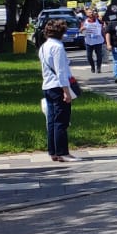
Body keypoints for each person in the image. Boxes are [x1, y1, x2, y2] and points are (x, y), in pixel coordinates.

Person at [38, 19, 81, 163]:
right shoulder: (58, 47)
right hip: (58, 87)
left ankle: (53, 151)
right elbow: (61, 71)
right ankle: (63, 152)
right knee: (62, 121)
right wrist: (66, 91)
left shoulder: (44, 46)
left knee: (51, 121)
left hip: (47, 86)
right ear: (62, 33)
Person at [78, 9, 106, 75]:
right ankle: (92, 66)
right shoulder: (84, 22)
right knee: (89, 56)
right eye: (89, 12)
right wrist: (82, 29)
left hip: (98, 41)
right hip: (89, 41)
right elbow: (80, 31)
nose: (91, 13)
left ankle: (98, 68)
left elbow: (104, 27)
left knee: (99, 55)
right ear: (87, 14)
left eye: (92, 12)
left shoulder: (98, 21)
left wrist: (104, 27)